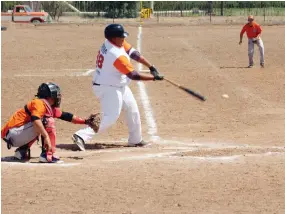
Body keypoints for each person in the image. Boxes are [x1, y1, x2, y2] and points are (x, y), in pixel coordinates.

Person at [72, 23, 164, 151]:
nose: (123, 39)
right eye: (121, 37)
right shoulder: (115, 54)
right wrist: (154, 78)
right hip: (108, 87)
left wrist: (151, 66)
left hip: (117, 84)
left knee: (132, 110)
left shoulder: (113, 42)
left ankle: (135, 139)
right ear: (113, 38)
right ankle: (81, 135)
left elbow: (133, 53)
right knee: (111, 116)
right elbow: (133, 75)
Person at [1, 82, 96, 163]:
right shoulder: (39, 103)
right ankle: (47, 155)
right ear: (49, 96)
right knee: (46, 121)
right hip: (14, 134)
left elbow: (66, 116)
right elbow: (35, 119)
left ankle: (21, 151)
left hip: (14, 134)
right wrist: (46, 136)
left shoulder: (45, 106)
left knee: (42, 123)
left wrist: (85, 121)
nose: (57, 98)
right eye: (55, 96)